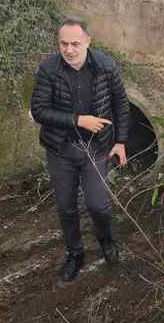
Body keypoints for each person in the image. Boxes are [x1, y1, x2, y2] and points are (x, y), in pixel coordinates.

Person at [30, 18, 130, 283]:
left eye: (75, 43)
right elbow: (39, 111)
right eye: (64, 43)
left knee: (98, 205)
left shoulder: (105, 66)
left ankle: (106, 242)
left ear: (87, 42)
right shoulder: (48, 69)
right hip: (61, 150)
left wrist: (120, 141)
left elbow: (121, 103)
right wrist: (77, 120)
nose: (69, 49)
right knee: (66, 207)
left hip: (97, 149)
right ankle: (75, 254)